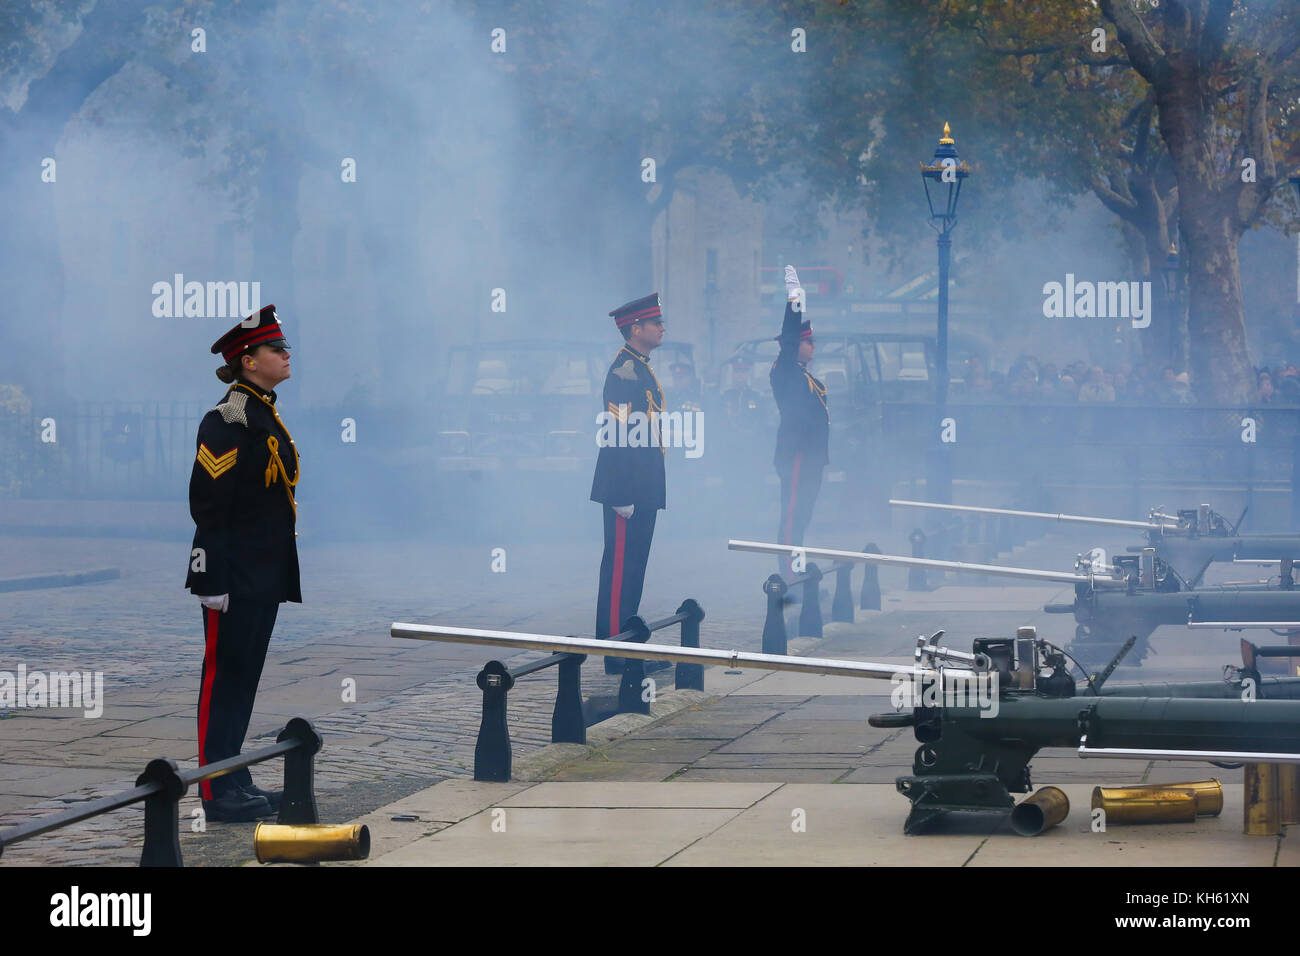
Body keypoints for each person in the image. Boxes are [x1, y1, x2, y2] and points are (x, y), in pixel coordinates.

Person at [185, 304, 300, 822]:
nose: (286, 354)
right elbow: (209, 500)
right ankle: (215, 791)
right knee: (223, 678)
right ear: (249, 360)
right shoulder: (229, 417)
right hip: (231, 573)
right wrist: (210, 576)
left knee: (245, 676)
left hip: (261, 573)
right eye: (276, 349)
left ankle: (235, 775)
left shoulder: (263, 412)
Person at [590, 294, 667, 674]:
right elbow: (616, 431)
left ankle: (628, 648)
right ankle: (616, 651)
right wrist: (620, 492)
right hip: (627, 488)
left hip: (643, 485)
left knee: (634, 568)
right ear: (636, 329)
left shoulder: (640, 368)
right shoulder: (624, 372)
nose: (662, 328)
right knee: (620, 570)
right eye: (656, 323)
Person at [770, 265, 828, 578]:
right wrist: (795, 300)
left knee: (801, 518)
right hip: (797, 456)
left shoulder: (806, 377)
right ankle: (789, 577)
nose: (813, 346)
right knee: (792, 520)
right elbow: (791, 337)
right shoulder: (785, 371)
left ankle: (797, 570)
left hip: (811, 459)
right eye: (808, 342)